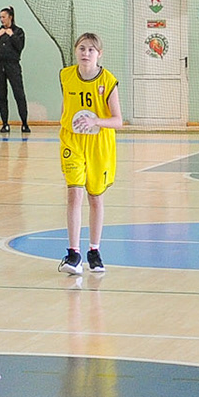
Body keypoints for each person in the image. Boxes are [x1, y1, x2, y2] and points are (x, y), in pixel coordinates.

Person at [56, 32, 124, 276]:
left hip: (99, 143)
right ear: (76, 51)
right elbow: (66, 107)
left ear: (99, 54)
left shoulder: (108, 81)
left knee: (95, 197)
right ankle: (73, 254)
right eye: (82, 48)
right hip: (72, 141)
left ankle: (94, 251)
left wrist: (96, 121)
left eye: (91, 50)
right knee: (74, 193)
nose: (85, 53)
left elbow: (118, 121)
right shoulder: (66, 76)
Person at [0, 6, 30, 134]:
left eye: (4, 17)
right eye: (0, 17)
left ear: (10, 17)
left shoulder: (18, 31)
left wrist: (12, 36)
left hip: (13, 65)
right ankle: (5, 123)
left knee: (19, 94)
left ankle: (24, 123)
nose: (2, 19)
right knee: (2, 95)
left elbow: (20, 46)